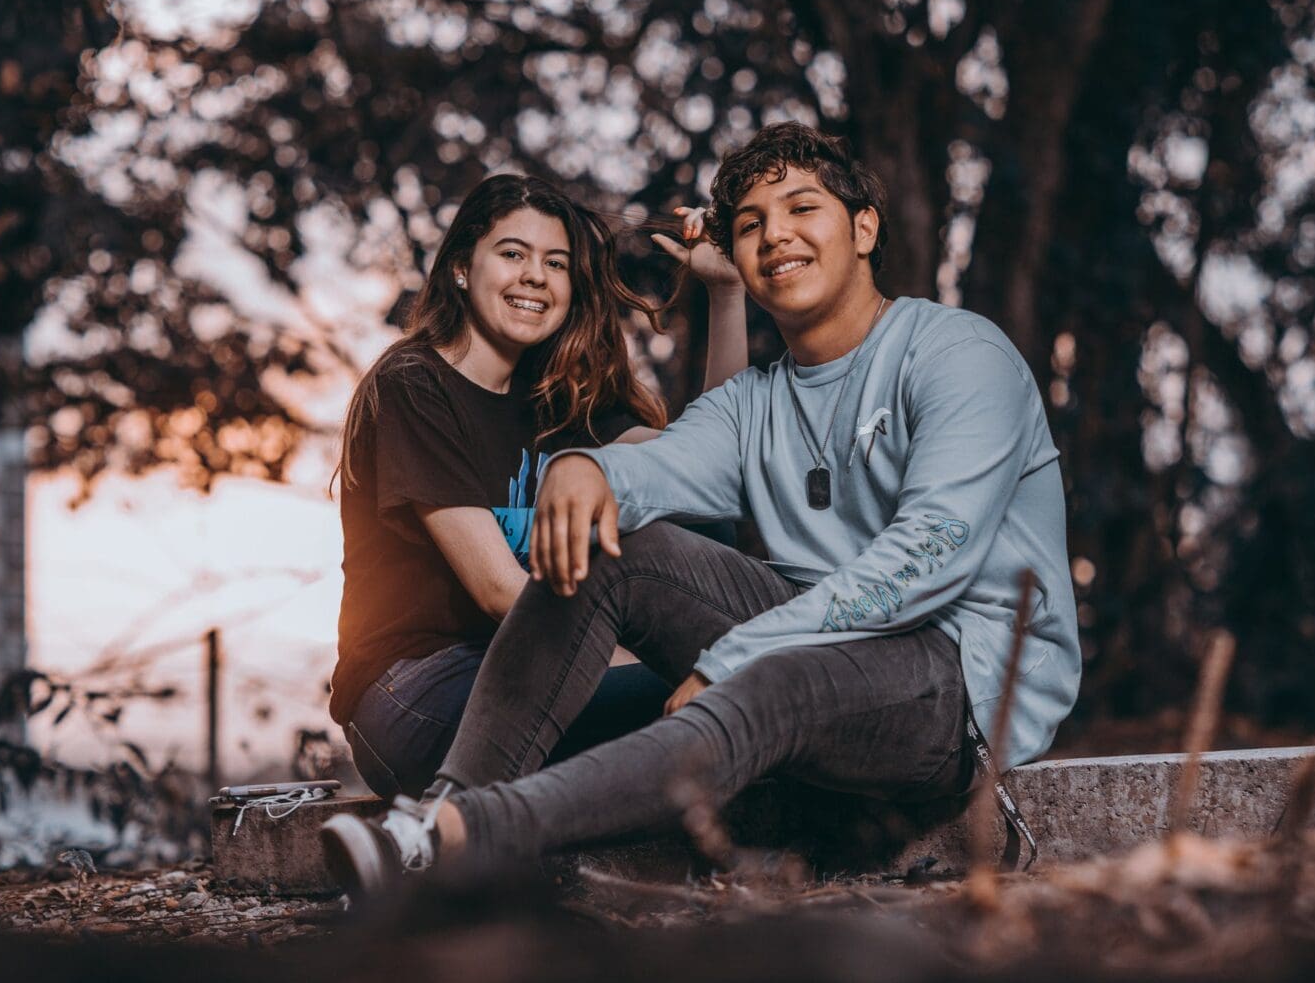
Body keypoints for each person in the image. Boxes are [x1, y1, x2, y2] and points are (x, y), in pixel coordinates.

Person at [323, 123, 1081, 892]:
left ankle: (467, 834)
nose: (774, 234)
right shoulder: (753, 404)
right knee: (623, 552)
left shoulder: (959, 354)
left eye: (800, 209)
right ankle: (436, 821)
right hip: (800, 637)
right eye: (750, 223)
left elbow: (930, 555)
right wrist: (589, 471)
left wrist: (732, 656)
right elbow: (662, 462)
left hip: (960, 675)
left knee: (769, 679)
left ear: (863, 228)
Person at [330, 173, 748, 799]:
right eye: (513, 253)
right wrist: (645, 657)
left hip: (526, 670)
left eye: (555, 263)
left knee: (732, 632)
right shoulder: (413, 385)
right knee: (730, 688)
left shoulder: (556, 401)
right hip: (415, 699)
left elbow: (707, 469)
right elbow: (501, 592)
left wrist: (727, 293)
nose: (535, 276)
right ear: (463, 270)